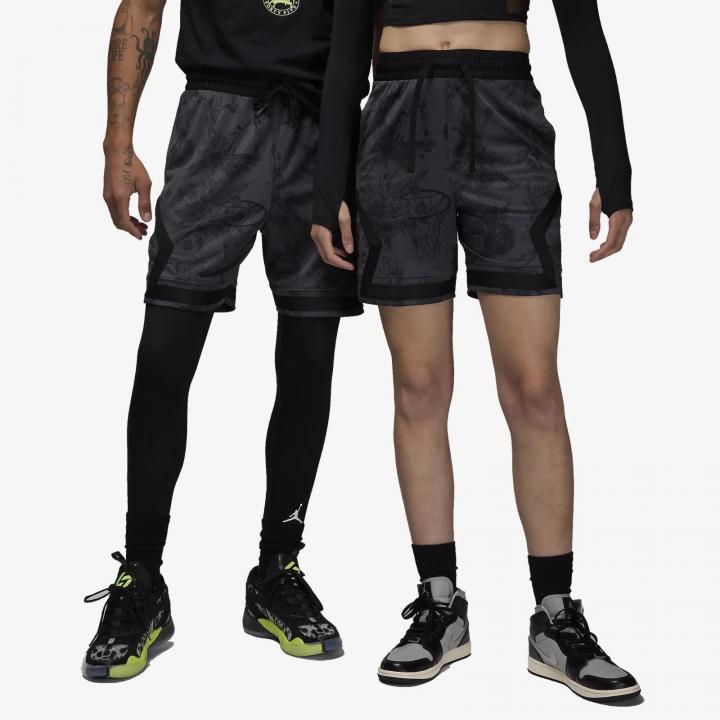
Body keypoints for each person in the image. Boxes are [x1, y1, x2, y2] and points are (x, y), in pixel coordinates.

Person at [312, 0, 639, 701]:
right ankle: (440, 605)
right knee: (418, 386)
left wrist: (615, 171)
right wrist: (326, 186)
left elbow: (583, 33)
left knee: (534, 388)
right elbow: (345, 51)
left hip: (505, 117)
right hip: (397, 122)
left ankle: (556, 616)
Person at [82, 0, 360, 680]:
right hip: (216, 116)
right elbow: (143, 6)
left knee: (309, 360)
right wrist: (118, 140)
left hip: (323, 126)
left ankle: (277, 570)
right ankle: (141, 577)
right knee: (165, 354)